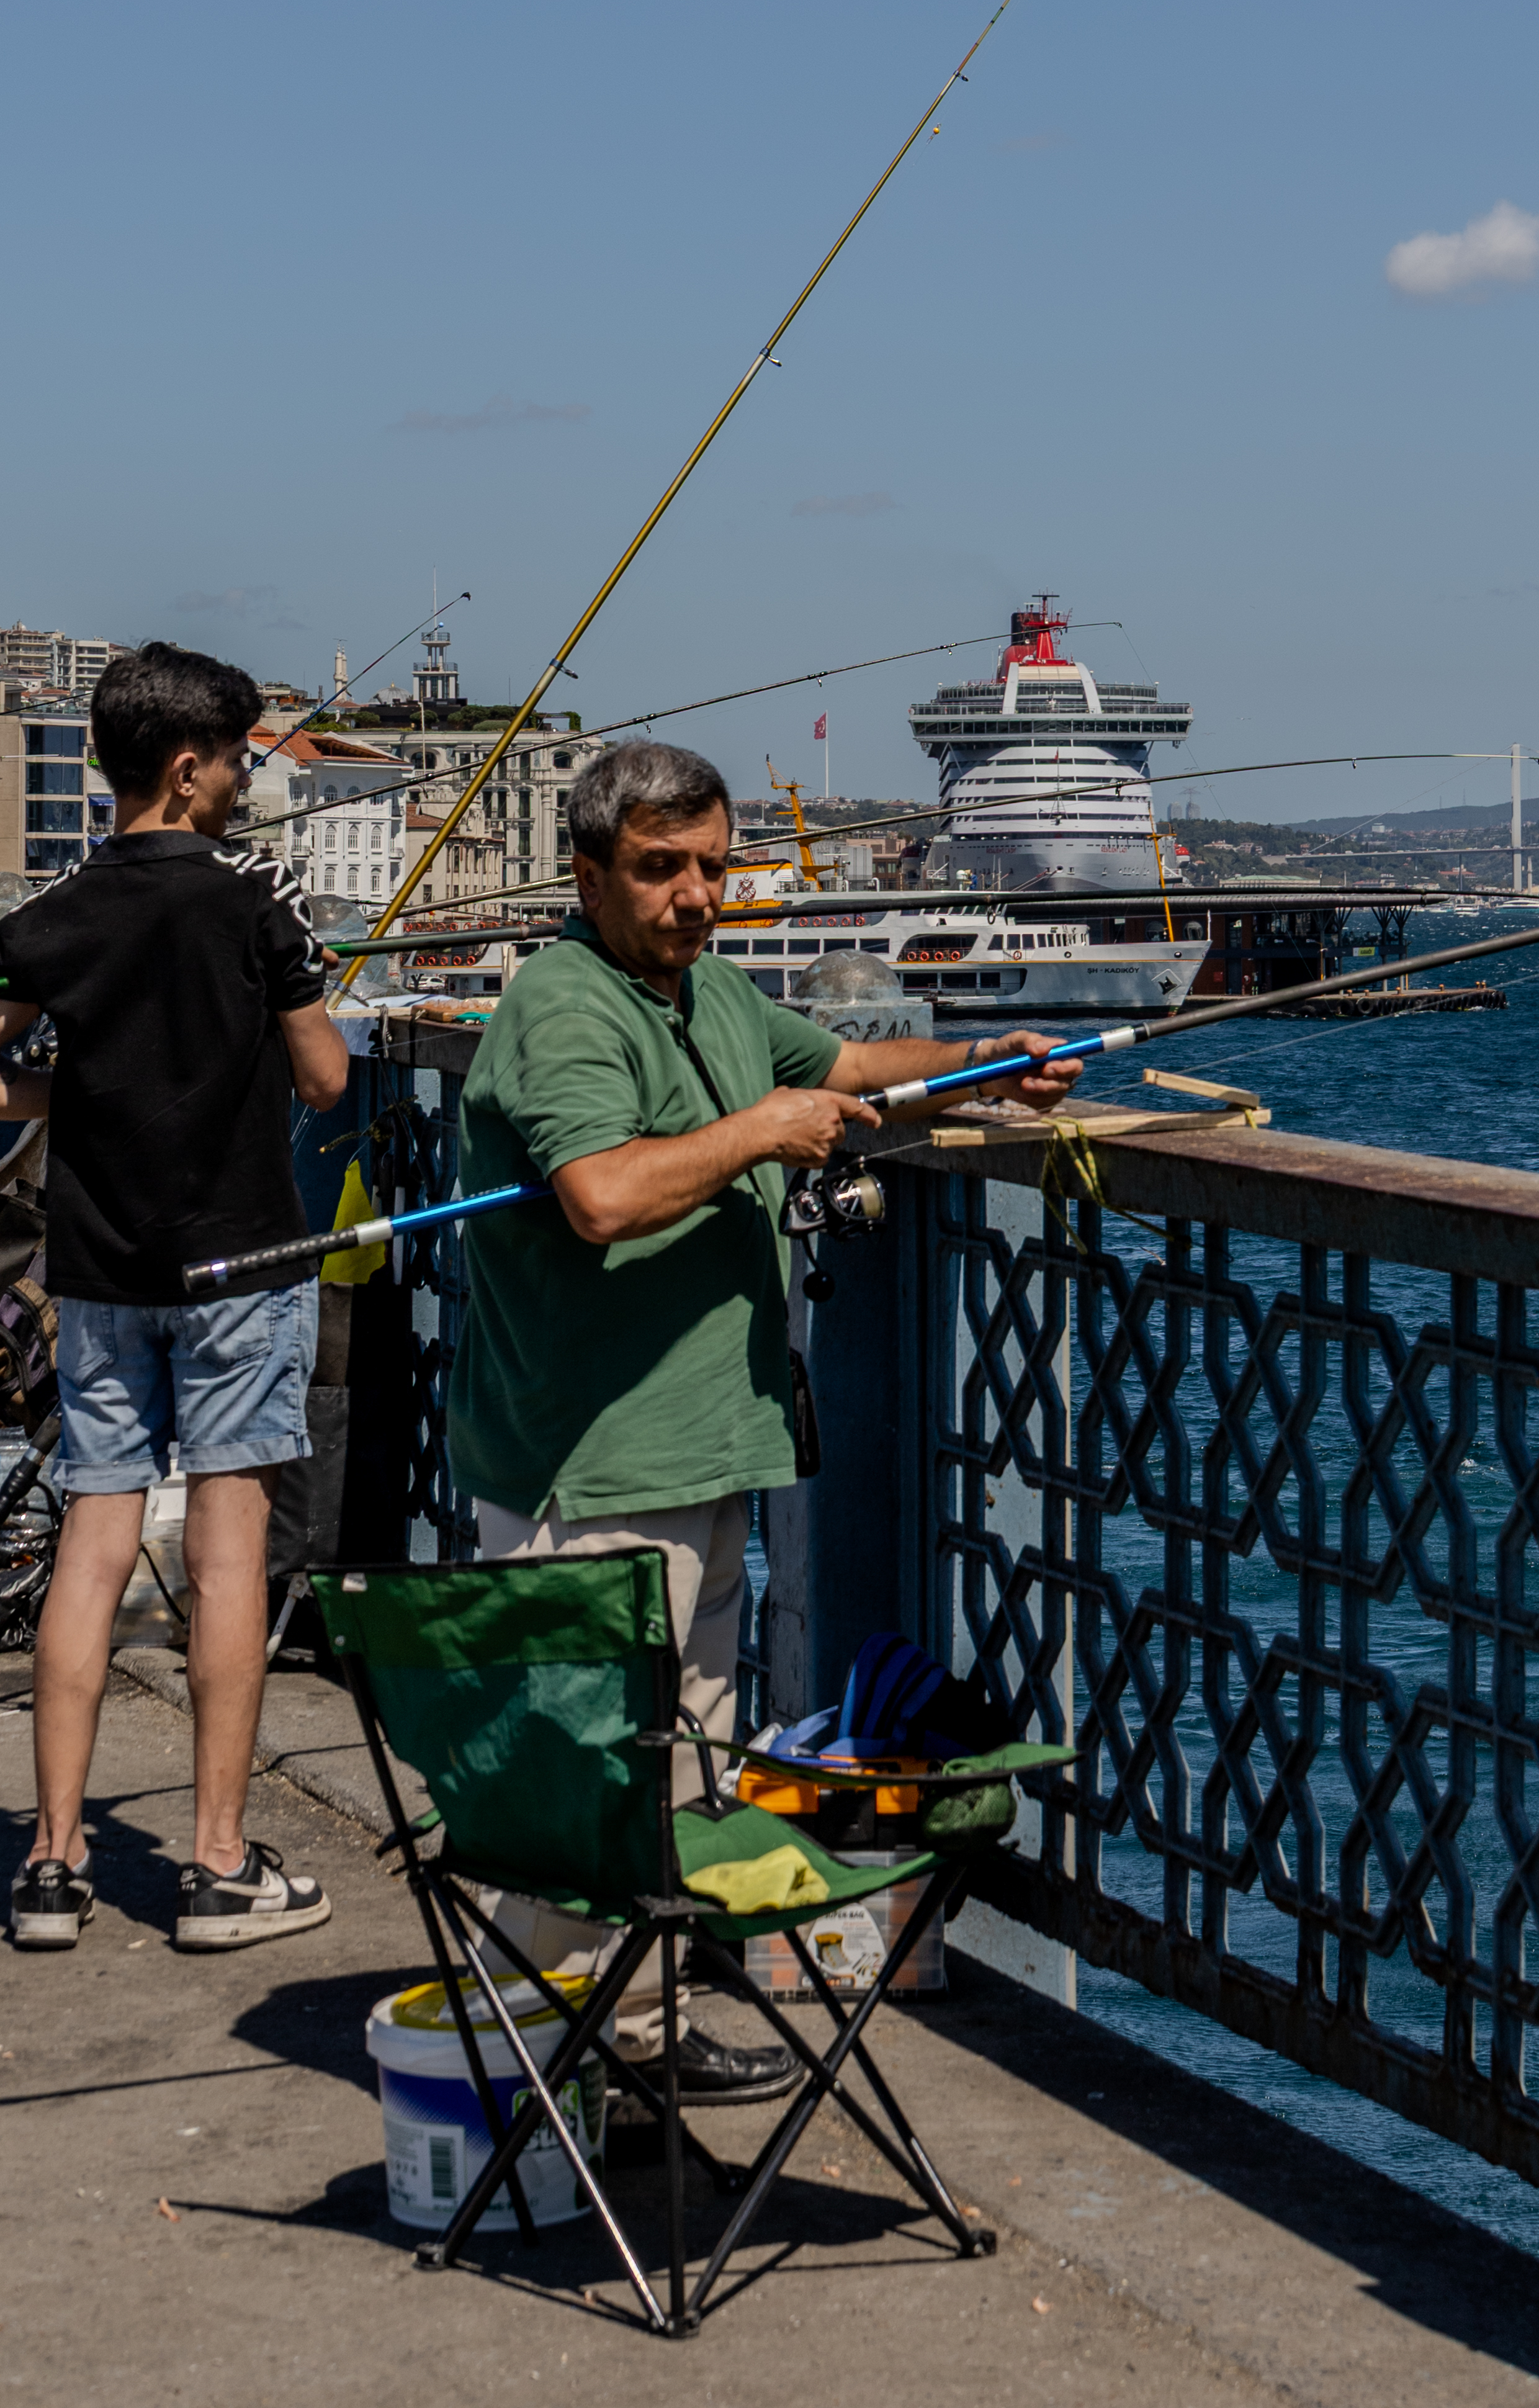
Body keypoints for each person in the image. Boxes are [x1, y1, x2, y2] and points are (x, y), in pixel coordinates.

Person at [451, 738, 1082, 2101]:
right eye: (660, 870)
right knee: (582, 1790)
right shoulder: (567, 1007)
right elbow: (605, 1196)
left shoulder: (712, 990)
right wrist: (762, 1132)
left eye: (713, 870)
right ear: (590, 873)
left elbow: (850, 1054)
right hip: (593, 1459)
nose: (694, 896)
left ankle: (640, 2041)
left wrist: (983, 1059)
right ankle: (513, 2075)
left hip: (705, 1448)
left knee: (677, 1754)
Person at [0, 643, 349, 1953]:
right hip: (240, 1264)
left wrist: (87, 1098)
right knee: (228, 1552)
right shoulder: (253, 899)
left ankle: (52, 1867)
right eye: (236, 759)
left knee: (93, 1539)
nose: (243, 781)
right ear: (189, 767)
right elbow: (330, 1078)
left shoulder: (51, 916)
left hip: (103, 1271)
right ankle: (218, 1866)